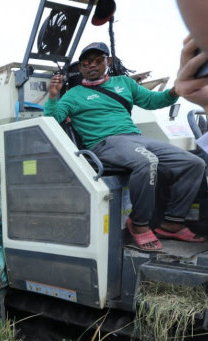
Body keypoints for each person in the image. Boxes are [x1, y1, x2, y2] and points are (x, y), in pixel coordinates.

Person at [45, 42, 207, 251]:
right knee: (147, 161)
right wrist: (52, 95)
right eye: (86, 63)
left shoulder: (124, 83)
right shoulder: (73, 94)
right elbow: (52, 119)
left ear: (108, 61)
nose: (91, 65)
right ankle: (139, 224)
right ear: (80, 68)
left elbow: (152, 101)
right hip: (104, 143)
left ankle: (172, 223)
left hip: (135, 138)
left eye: (97, 60)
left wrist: (176, 90)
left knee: (193, 163)